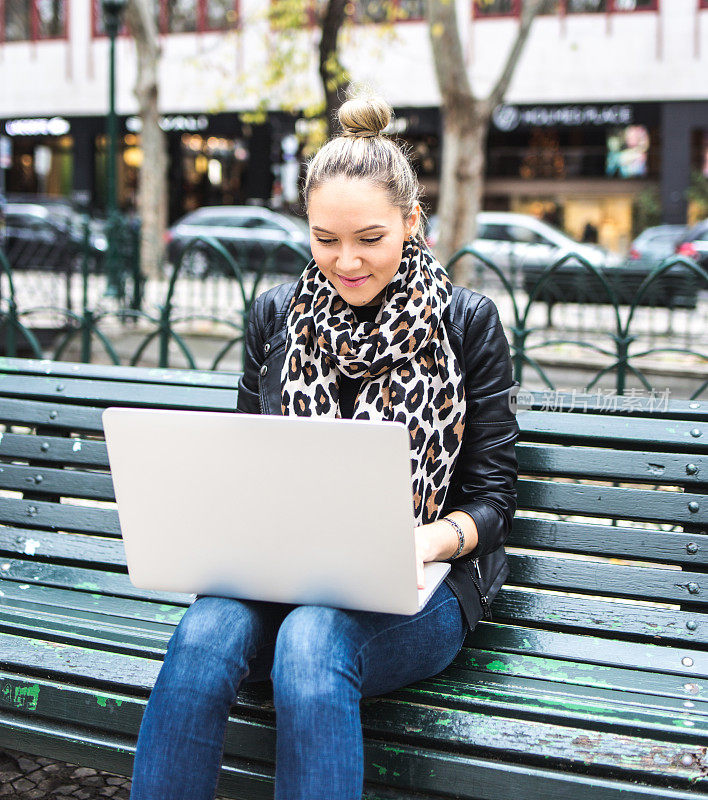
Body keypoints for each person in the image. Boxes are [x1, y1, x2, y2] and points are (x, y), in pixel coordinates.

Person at [129, 94, 519, 800]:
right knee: (205, 630)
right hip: (283, 570)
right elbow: (248, 462)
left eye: (370, 237)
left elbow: (494, 501)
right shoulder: (276, 317)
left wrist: (423, 542)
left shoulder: (467, 323)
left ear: (412, 223)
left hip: (422, 587)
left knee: (313, 639)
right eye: (324, 238)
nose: (346, 261)